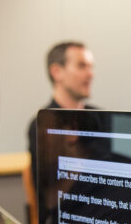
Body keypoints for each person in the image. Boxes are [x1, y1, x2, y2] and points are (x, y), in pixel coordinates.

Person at [27, 41, 95, 181]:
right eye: (82, 66)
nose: (90, 74)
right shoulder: (42, 125)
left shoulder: (100, 118)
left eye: (91, 67)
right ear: (57, 72)